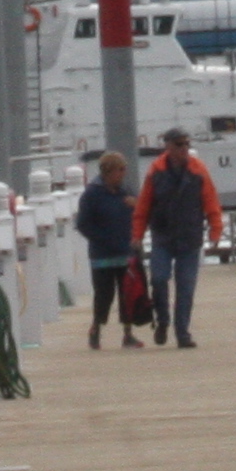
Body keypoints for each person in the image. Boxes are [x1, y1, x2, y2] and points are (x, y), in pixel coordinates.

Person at [136, 126, 224, 350]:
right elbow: (143, 206)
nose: (184, 148)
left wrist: (215, 230)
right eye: (179, 144)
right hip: (162, 237)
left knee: (185, 287)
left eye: (187, 144)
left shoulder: (199, 170)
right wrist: (137, 235)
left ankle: (182, 333)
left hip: (189, 237)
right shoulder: (155, 171)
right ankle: (163, 321)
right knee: (158, 279)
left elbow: (211, 201)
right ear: (168, 147)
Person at [76, 150, 140, 349]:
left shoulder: (126, 190)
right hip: (102, 255)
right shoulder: (92, 194)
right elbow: (82, 224)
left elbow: (142, 214)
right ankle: (96, 328)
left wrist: (137, 206)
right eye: (120, 169)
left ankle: (128, 334)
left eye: (124, 169)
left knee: (127, 294)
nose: (124, 173)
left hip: (126, 253)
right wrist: (103, 238)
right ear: (108, 171)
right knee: (104, 295)